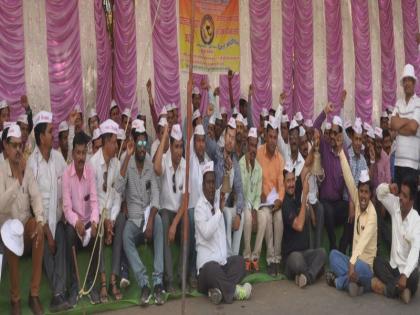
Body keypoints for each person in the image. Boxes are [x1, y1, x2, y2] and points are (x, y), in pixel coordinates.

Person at [115, 123, 165, 306]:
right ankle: (144, 284)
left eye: (145, 143)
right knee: (126, 234)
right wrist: (127, 157)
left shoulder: (150, 163)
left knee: (159, 221)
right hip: (134, 220)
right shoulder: (126, 160)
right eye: (140, 144)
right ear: (133, 144)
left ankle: (158, 283)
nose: (143, 148)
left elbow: (157, 196)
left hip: (148, 217)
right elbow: (119, 188)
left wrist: (151, 219)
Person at [0, 124, 45, 315]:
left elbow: (36, 197)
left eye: (20, 145)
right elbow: (1, 206)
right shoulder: (1, 170)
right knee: (11, 233)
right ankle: (15, 298)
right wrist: (17, 180)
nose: (18, 150)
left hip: (25, 225)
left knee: (38, 228)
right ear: (5, 146)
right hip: (8, 228)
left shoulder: (27, 168)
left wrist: (41, 220)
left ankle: (33, 295)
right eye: (14, 145)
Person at [27, 111, 69, 312]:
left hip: (58, 219)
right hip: (41, 223)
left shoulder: (59, 158)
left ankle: (58, 294)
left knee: (62, 238)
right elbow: (33, 203)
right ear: (40, 136)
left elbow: (67, 187)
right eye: (50, 131)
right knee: (43, 240)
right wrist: (47, 231)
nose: (53, 135)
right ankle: (58, 293)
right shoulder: (31, 164)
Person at [326, 138, 377, 297]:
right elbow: (348, 176)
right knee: (333, 255)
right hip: (353, 261)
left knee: (360, 268)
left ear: (370, 195)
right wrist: (341, 151)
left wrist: (353, 263)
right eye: (360, 191)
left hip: (366, 266)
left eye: (365, 192)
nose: (362, 196)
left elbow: (362, 243)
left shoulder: (373, 215)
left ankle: (339, 282)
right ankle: (355, 283)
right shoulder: (356, 198)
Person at [195, 161, 252, 305]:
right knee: (211, 269)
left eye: (213, 182)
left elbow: (226, 185)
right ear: (203, 185)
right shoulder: (199, 208)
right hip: (206, 270)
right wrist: (219, 212)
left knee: (239, 262)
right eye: (208, 182)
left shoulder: (217, 203)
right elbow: (207, 232)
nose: (211, 186)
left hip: (222, 265)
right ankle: (236, 292)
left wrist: (229, 171)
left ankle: (217, 291)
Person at [168, 124, 210, 289]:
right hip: (191, 208)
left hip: (203, 209)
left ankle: (206, 269)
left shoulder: (207, 162)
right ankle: (190, 272)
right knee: (192, 221)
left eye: (203, 141)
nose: (200, 144)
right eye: (198, 141)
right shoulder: (189, 160)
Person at [62, 132, 101, 306]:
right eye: (78, 153)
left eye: (84, 153)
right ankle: (73, 287)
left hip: (86, 223)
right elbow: (66, 208)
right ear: (73, 154)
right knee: (68, 233)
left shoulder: (90, 172)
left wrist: (94, 222)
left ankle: (92, 285)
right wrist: (75, 221)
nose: (81, 157)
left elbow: (95, 202)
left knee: (97, 233)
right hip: (75, 224)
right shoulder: (66, 175)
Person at [90, 119, 124, 302]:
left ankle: (113, 279)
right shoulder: (92, 164)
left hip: (112, 212)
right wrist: (104, 219)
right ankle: (103, 281)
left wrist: (112, 218)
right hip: (98, 213)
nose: (116, 145)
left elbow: (118, 196)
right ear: (104, 142)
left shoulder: (117, 164)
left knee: (121, 224)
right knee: (100, 227)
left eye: (117, 141)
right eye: (113, 141)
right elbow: (93, 199)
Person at [372, 178, 420, 304]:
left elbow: (415, 251)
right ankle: (402, 291)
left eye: (405, 196)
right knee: (377, 262)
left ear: (411, 201)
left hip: (408, 272)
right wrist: (389, 188)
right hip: (393, 267)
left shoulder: (416, 221)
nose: (400, 197)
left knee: (415, 275)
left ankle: (386, 289)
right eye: (400, 193)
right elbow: (378, 193)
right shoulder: (395, 205)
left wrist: (404, 275)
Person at [281, 163, 326, 288]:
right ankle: (312, 273)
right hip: (292, 256)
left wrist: (315, 145)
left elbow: (306, 166)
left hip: (306, 253)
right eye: (288, 181)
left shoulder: (297, 193)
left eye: (292, 180)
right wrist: (305, 196)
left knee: (322, 253)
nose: (291, 184)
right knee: (298, 261)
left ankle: (306, 277)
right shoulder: (286, 204)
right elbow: (299, 225)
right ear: (284, 183)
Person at [204, 117, 245, 257]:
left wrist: (239, 213)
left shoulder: (235, 163)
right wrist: (207, 118)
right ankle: (226, 256)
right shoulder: (217, 153)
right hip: (214, 205)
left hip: (225, 206)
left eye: (233, 138)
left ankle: (234, 254)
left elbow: (240, 191)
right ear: (224, 136)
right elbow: (205, 139)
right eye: (228, 136)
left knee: (241, 214)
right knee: (226, 214)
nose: (230, 140)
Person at [313, 104, 350, 252]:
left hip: (338, 203)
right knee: (327, 210)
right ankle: (333, 245)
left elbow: (349, 182)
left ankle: (342, 246)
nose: (333, 136)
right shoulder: (325, 146)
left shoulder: (344, 154)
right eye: (331, 133)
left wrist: (352, 204)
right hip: (326, 201)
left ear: (341, 135)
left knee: (350, 210)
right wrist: (324, 112)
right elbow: (315, 128)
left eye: (335, 133)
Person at [154, 124, 186, 292]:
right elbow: (156, 168)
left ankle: (182, 277)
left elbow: (185, 199)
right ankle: (169, 280)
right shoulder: (165, 159)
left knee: (187, 223)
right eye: (176, 147)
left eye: (181, 147)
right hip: (165, 212)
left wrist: (176, 224)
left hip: (178, 214)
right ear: (171, 146)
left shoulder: (185, 164)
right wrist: (165, 136)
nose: (179, 151)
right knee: (165, 219)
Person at [256, 116, 285, 276]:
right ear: (266, 137)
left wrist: (280, 199)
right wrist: (259, 193)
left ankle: (277, 259)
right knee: (266, 217)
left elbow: (281, 183)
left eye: (275, 137)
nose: (273, 140)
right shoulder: (259, 153)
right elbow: (254, 175)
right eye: (271, 136)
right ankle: (269, 260)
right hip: (262, 202)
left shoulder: (280, 159)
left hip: (275, 201)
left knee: (279, 218)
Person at [390, 64, 420, 189]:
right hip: (398, 163)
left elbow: (413, 128)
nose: (407, 83)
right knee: (398, 202)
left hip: (412, 164)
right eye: (405, 80)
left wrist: (399, 125)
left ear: (414, 83)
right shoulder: (398, 103)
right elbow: (392, 124)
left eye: (409, 80)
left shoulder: (418, 102)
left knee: (410, 204)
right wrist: (408, 120)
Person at [239, 128, 263, 272]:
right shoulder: (241, 164)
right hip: (242, 207)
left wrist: (255, 211)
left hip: (253, 207)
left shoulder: (259, 169)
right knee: (247, 217)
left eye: (255, 145)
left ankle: (255, 257)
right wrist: (248, 166)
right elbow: (242, 193)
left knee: (264, 218)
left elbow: (258, 195)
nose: (253, 149)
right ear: (247, 145)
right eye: (251, 145)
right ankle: (246, 257)